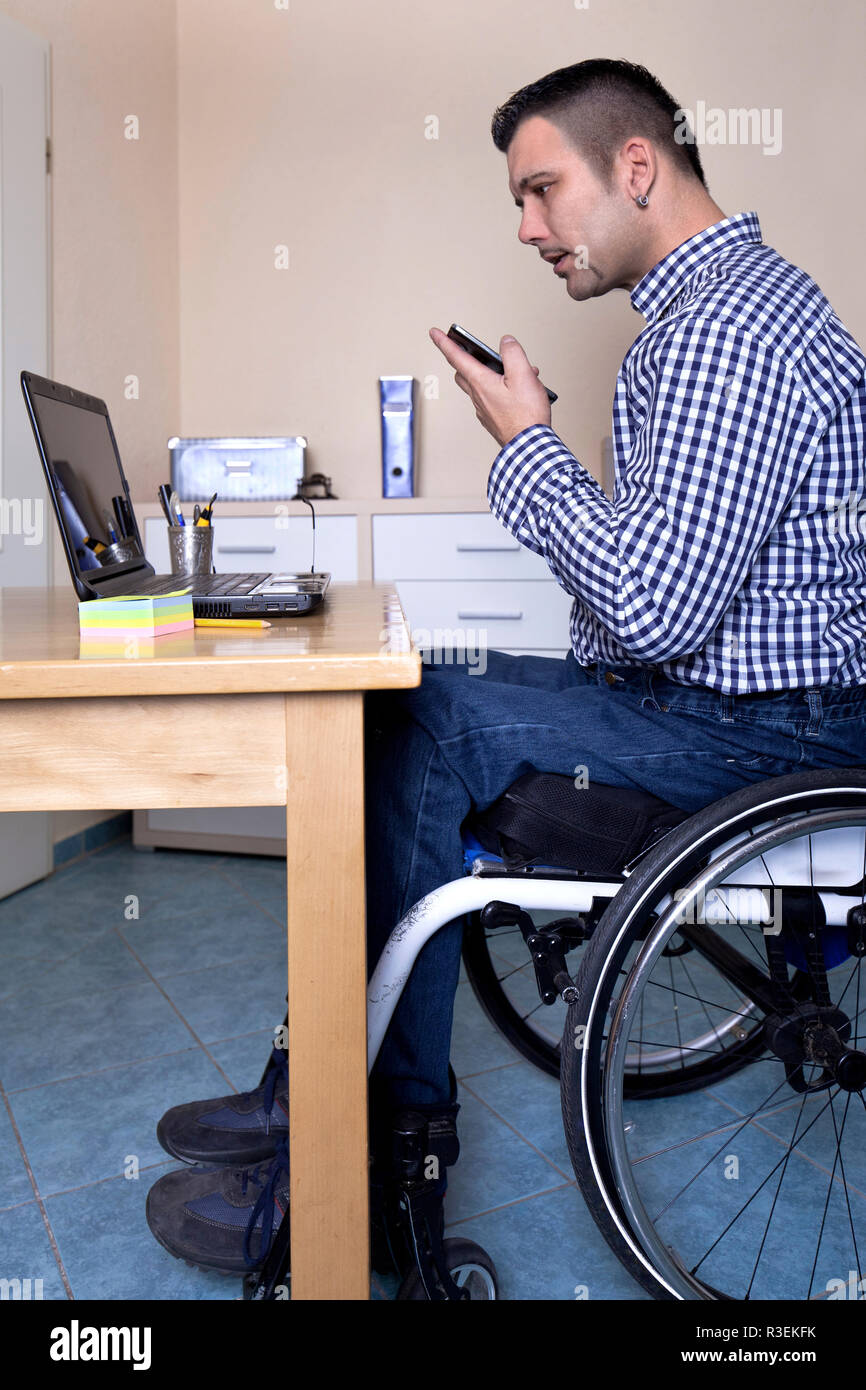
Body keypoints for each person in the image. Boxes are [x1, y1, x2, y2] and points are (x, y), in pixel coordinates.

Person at [145, 58, 866, 1281]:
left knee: (424, 730)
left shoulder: (724, 333)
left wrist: (524, 442)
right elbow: (659, 586)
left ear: (635, 166)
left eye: (541, 190)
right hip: (734, 701)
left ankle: (370, 1156)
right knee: (402, 692)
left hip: (768, 735)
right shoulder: (718, 314)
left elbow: (647, 607)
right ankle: (311, 1077)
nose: (525, 226)